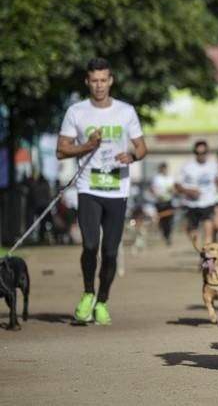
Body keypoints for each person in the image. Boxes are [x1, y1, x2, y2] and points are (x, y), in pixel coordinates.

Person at [57, 57, 147, 325]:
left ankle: (102, 301)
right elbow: (61, 150)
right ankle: (87, 293)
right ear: (87, 82)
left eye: (103, 80)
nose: (98, 85)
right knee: (90, 245)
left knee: (110, 251)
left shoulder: (126, 111)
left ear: (110, 81)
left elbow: (142, 147)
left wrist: (132, 156)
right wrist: (87, 145)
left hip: (117, 190)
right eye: (93, 80)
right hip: (88, 188)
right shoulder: (76, 111)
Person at [174, 141, 218, 245]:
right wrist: (189, 191)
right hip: (191, 204)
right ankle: (200, 250)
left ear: (207, 152)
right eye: (198, 153)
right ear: (195, 153)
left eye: (203, 152)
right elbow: (177, 185)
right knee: (193, 237)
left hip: (208, 203)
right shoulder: (187, 167)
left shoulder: (213, 166)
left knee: (208, 231)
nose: (201, 155)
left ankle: (207, 255)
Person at [151, 162, 175, 246]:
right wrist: (157, 195)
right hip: (160, 202)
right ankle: (165, 234)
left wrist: (173, 190)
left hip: (169, 201)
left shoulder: (171, 178)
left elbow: (174, 188)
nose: (164, 170)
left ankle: (168, 235)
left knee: (169, 220)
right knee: (162, 221)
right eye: (163, 168)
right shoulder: (156, 178)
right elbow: (153, 190)